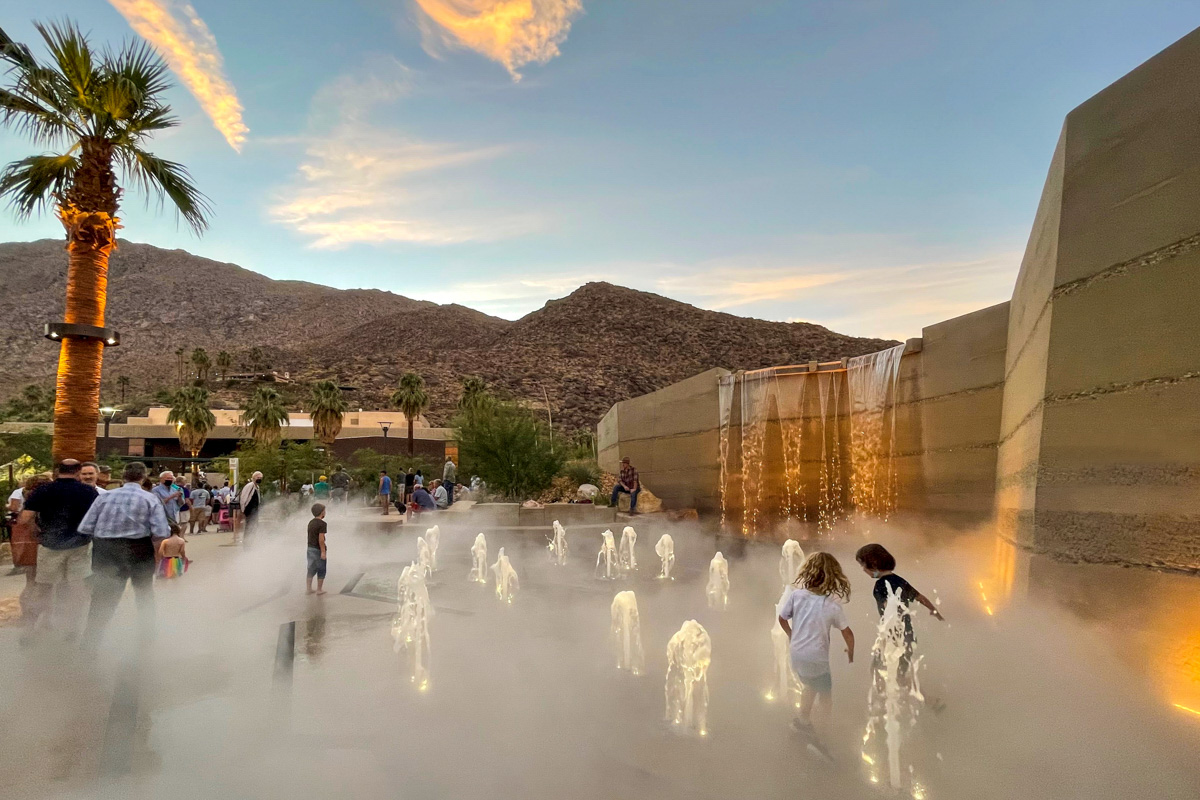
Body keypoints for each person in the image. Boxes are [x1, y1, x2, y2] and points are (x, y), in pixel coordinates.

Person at [79, 461, 170, 646]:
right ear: (143, 477)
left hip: (106, 551)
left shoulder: (104, 497)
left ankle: (90, 642)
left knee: (103, 596)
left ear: (123, 477)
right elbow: (161, 531)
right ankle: (147, 638)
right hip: (138, 550)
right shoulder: (149, 499)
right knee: (144, 594)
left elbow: (85, 527)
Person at [777, 552, 855, 742]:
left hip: (797, 655)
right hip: (817, 658)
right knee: (826, 696)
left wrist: (791, 634)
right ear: (832, 577)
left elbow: (782, 618)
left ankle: (802, 722)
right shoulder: (832, 606)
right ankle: (822, 733)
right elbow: (848, 633)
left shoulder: (797, 596)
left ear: (807, 573)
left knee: (809, 686)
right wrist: (850, 651)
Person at [18, 460, 98, 640]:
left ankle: (29, 630)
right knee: (77, 588)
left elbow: (24, 518)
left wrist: (35, 528)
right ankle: (72, 629)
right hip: (80, 546)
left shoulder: (44, 490)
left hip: (50, 545)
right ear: (78, 472)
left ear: (57, 471)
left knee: (43, 587)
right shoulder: (88, 491)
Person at [855, 543, 945, 677]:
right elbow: (920, 597)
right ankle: (918, 697)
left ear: (873, 565)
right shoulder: (899, 581)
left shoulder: (881, 585)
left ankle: (885, 697)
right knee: (898, 674)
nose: (863, 570)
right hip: (908, 636)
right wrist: (935, 612)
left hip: (894, 638)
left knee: (878, 672)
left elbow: (889, 610)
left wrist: (888, 637)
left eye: (863, 566)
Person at [306, 502, 328, 595]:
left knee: (311, 569)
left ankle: (308, 589)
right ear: (322, 513)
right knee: (321, 569)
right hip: (318, 549)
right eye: (324, 511)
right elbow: (321, 539)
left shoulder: (310, 522)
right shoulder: (322, 524)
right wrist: (323, 552)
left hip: (310, 548)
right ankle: (319, 589)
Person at [238, 472, 263, 543]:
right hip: (249, 509)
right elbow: (243, 498)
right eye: (258, 477)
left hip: (255, 510)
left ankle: (251, 540)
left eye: (261, 478)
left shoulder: (257, 487)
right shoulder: (250, 486)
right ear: (254, 477)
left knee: (254, 525)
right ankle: (247, 541)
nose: (259, 479)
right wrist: (243, 509)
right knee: (249, 525)